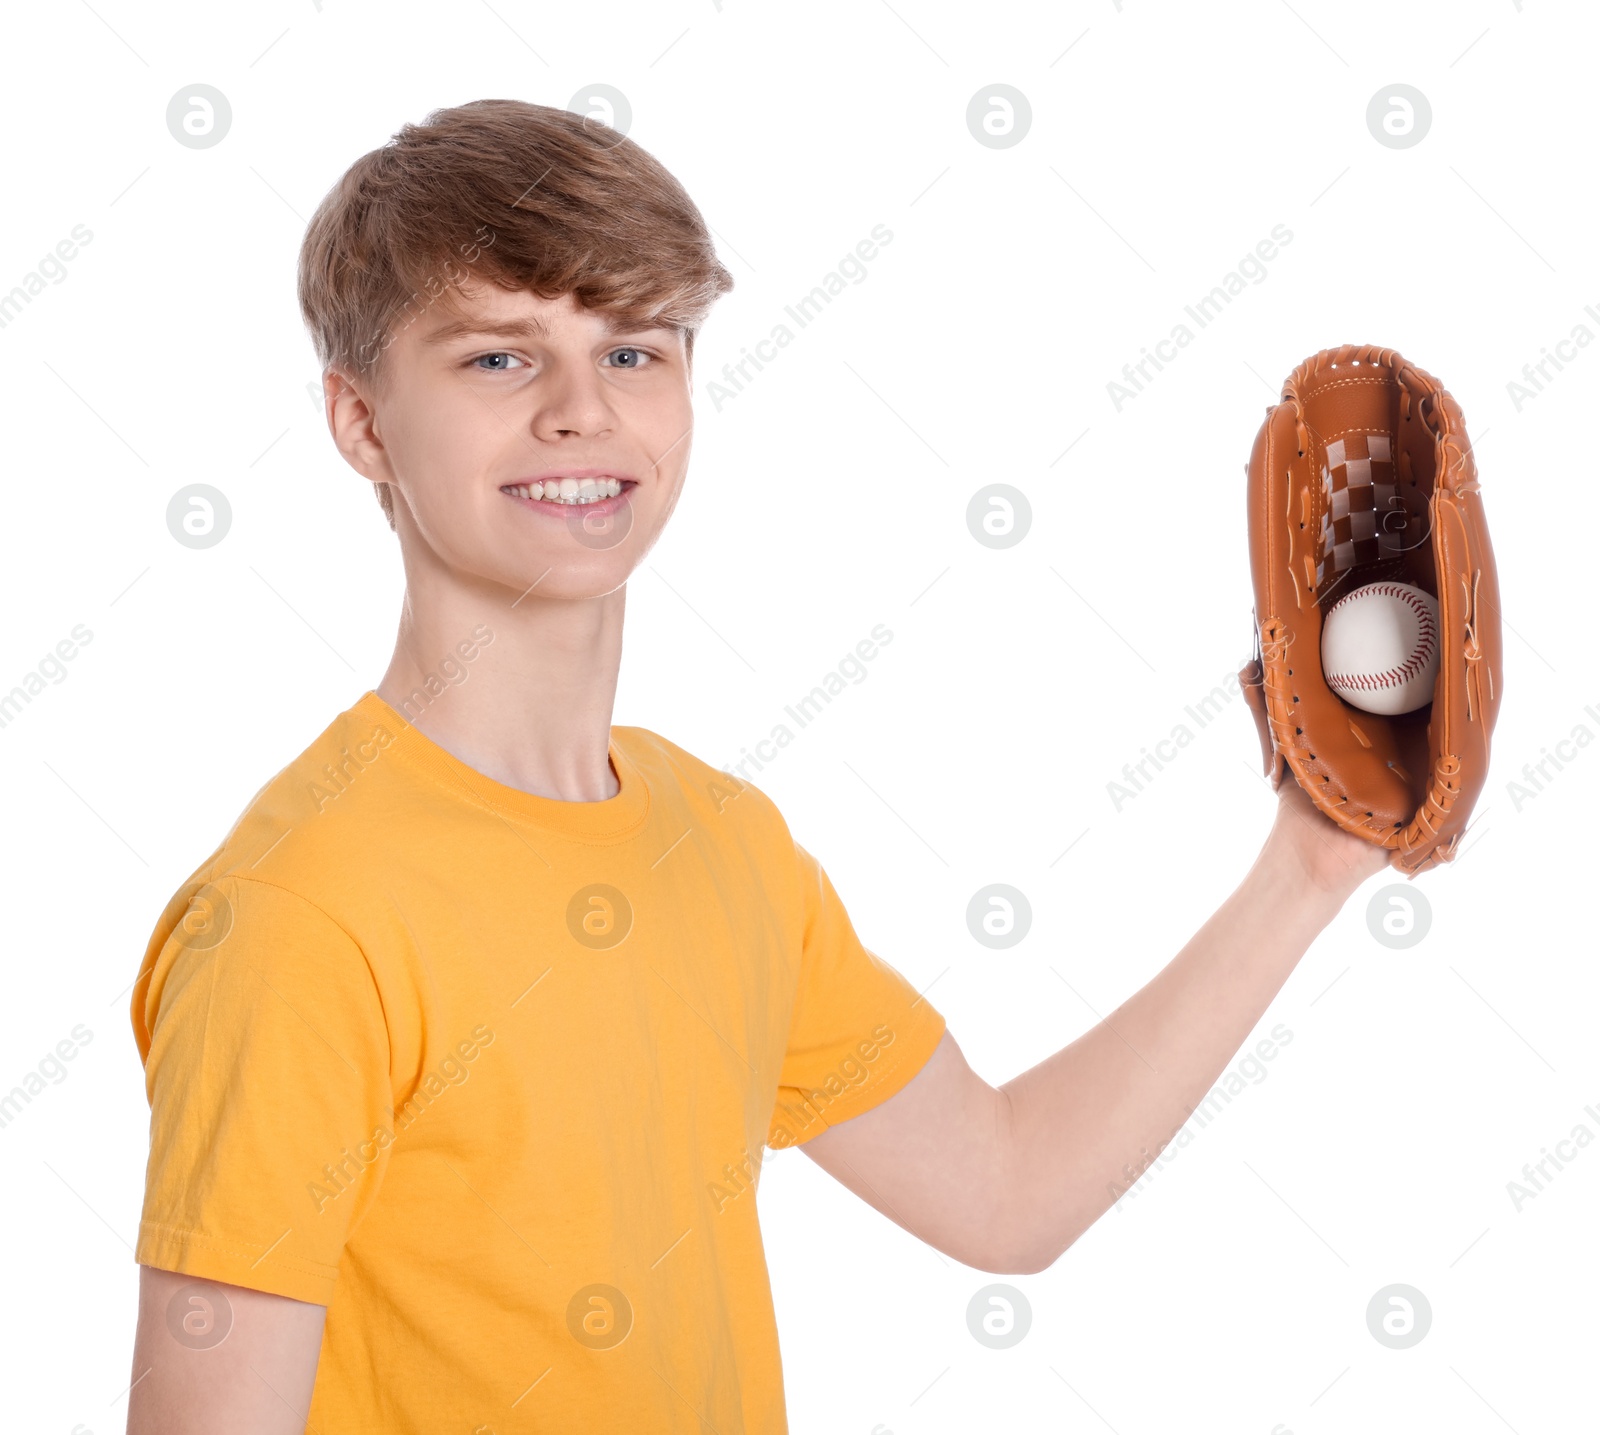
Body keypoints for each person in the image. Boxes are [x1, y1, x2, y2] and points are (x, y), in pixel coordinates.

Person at [124, 98, 1390, 1433]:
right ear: (364, 424)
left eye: (633, 351)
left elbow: (1005, 1192)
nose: (580, 413)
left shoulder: (719, 845)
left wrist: (1309, 866)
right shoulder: (299, 919)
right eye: (499, 360)